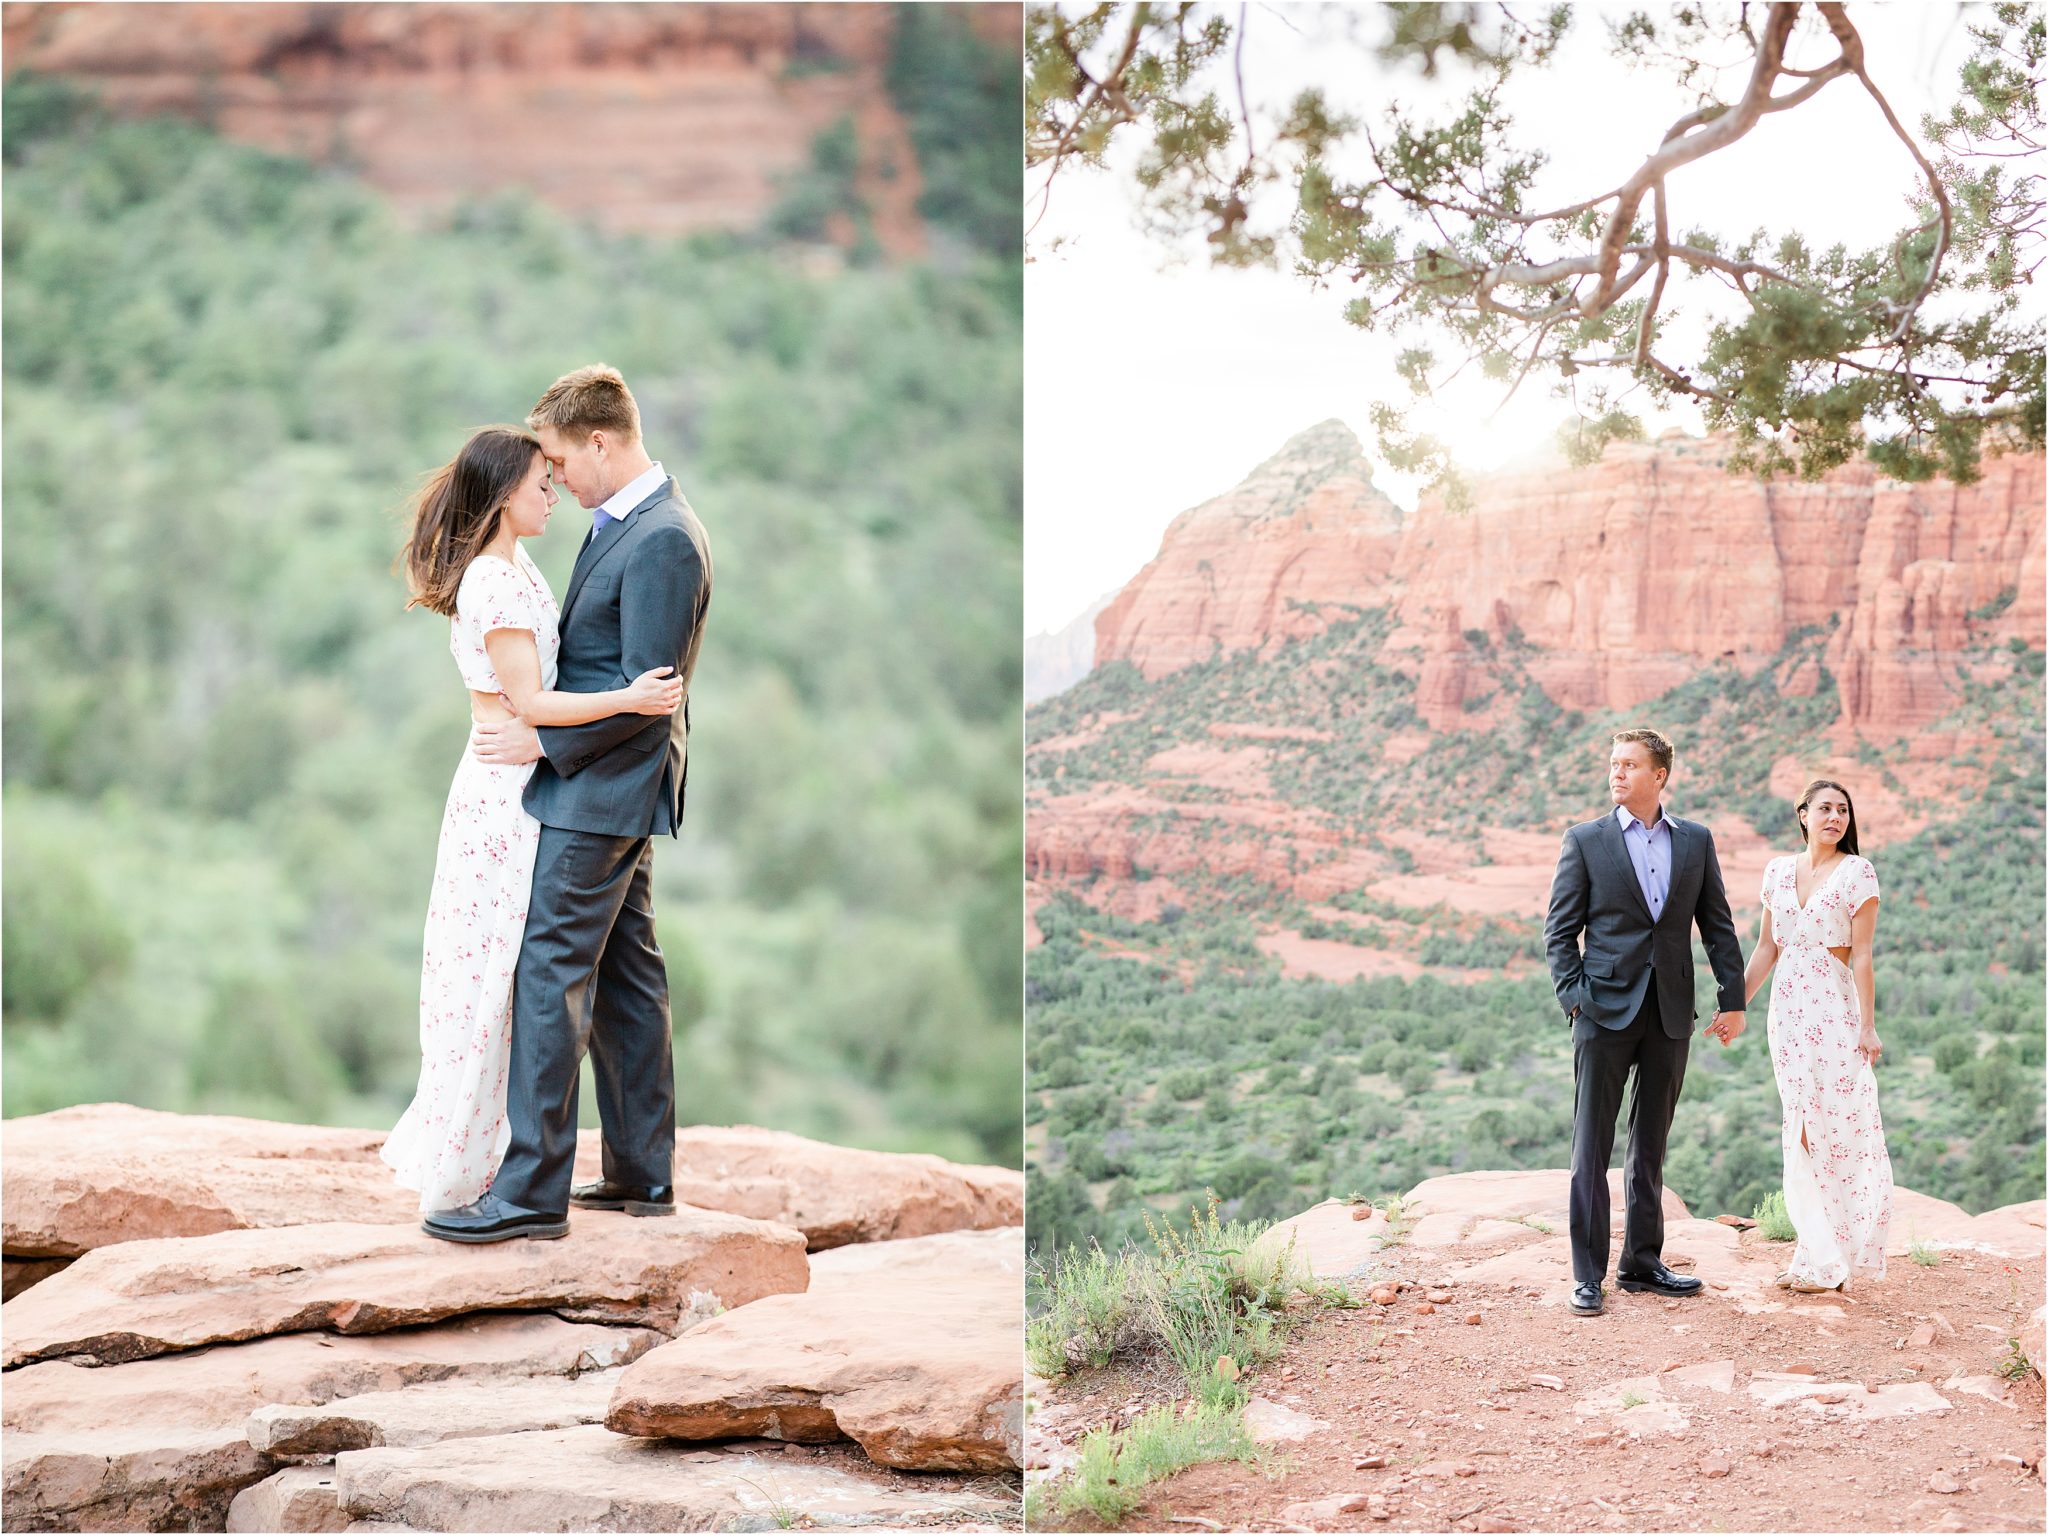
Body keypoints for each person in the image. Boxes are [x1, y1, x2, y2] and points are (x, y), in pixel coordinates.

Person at [423, 367, 713, 1244]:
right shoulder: (623, 524)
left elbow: (648, 693)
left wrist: (543, 742)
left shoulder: (662, 537)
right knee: (627, 979)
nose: (552, 477)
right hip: (600, 787)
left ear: (601, 442)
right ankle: (639, 1177)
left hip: (600, 792)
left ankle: (531, 1192)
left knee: (549, 974)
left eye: (557, 458)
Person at [1543, 728, 1747, 1317]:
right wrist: (1575, 998)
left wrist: (1730, 998)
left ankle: (1641, 1263)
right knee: (1592, 1145)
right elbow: (1559, 932)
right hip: (1602, 1010)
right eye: (1613, 764)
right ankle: (1588, 1275)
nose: (1617, 773)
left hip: (1669, 1011)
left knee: (1651, 1144)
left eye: (1629, 764)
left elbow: (1718, 926)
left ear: (1659, 775)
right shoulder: (1585, 841)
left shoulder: (1695, 842)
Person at [1740, 778, 1891, 1291]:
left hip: (1835, 1008)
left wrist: (1868, 1026)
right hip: (1787, 1012)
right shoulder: (1778, 871)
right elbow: (1766, 948)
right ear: (1802, 814)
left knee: (1839, 1125)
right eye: (1824, 808)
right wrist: (1734, 1005)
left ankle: (1836, 1254)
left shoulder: (1857, 872)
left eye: (1843, 810)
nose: (1835, 817)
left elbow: (1864, 953)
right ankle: (1815, 1255)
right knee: (1799, 1125)